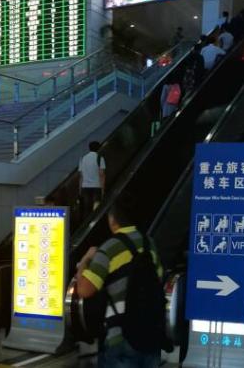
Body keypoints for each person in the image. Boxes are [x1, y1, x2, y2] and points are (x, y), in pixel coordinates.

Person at [74, 192, 164, 368]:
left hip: (121, 338)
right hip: (151, 336)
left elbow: (84, 290)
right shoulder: (149, 243)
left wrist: (85, 260)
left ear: (112, 220)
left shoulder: (109, 248)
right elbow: (159, 278)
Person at [78, 141, 106, 218]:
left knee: (87, 208)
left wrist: (80, 190)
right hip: (97, 187)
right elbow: (102, 175)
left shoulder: (83, 158)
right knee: (96, 209)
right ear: (99, 148)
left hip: (85, 187)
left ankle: (86, 222)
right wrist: (103, 189)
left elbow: (81, 176)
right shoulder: (100, 158)